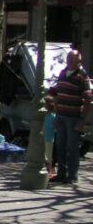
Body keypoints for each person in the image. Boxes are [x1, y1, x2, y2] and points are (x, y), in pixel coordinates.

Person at [49, 49, 90, 184]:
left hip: (73, 117)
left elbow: (87, 99)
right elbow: (56, 95)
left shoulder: (82, 77)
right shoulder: (62, 74)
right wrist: (55, 115)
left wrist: (81, 120)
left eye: (73, 59)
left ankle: (72, 174)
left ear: (79, 61)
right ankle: (61, 173)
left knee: (72, 148)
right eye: (68, 58)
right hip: (61, 115)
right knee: (60, 146)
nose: (70, 61)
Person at [41, 94, 56, 176]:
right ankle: (49, 169)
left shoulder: (53, 116)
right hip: (44, 137)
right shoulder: (45, 115)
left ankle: (50, 171)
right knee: (45, 155)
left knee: (48, 156)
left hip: (50, 138)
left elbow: (54, 127)